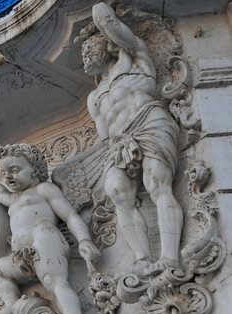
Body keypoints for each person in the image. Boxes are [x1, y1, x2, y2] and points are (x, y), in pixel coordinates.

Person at [81, 2, 182, 276]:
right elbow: (104, 135)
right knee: (115, 190)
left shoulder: (133, 57)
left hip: (149, 123)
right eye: (83, 52)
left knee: (157, 182)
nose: (85, 55)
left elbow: (109, 22)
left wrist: (99, 12)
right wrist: (119, 146)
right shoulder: (95, 96)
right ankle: (141, 259)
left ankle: (170, 256)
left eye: (90, 48)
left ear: (109, 47)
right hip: (119, 143)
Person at [0, 143, 100, 314]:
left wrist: (84, 240)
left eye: (15, 170)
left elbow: (70, 216)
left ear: (34, 170)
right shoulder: (12, 199)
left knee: (55, 280)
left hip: (43, 240)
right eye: (4, 172)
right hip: (20, 256)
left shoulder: (44, 189)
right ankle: (13, 304)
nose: (8, 176)